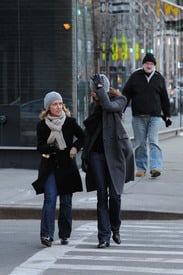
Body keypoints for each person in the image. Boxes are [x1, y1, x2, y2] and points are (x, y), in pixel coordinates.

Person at [81, 73, 134, 248]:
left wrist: (100, 88)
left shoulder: (120, 101)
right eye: (93, 90)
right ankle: (103, 236)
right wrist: (85, 155)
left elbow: (108, 106)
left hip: (115, 154)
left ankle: (115, 227)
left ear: (103, 88)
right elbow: (89, 132)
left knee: (116, 196)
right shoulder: (92, 106)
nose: (93, 93)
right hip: (96, 154)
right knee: (101, 196)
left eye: (95, 89)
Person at [32, 91, 84, 247]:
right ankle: (46, 234)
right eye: (54, 104)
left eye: (60, 103)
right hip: (49, 167)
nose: (58, 106)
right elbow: (39, 147)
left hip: (67, 167)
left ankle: (64, 234)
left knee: (66, 202)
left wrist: (75, 147)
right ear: (48, 107)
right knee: (50, 199)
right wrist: (50, 147)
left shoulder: (69, 122)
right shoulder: (42, 125)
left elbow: (83, 136)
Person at [122, 53, 172, 178]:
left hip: (155, 116)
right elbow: (126, 94)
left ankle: (155, 167)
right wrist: (120, 110)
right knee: (140, 143)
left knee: (154, 141)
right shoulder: (135, 76)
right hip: (138, 116)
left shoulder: (159, 78)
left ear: (154, 65)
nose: (149, 66)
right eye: (147, 63)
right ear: (143, 64)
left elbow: (165, 98)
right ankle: (141, 168)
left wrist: (167, 115)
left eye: (151, 64)